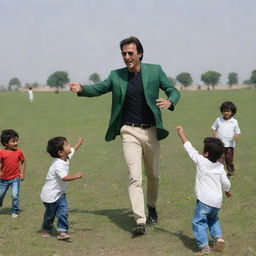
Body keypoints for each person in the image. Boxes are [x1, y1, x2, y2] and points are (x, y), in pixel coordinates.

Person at [68, 36, 180, 236]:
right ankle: (140, 220)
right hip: (129, 131)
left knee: (154, 176)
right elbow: (99, 88)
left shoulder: (155, 71)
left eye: (130, 53)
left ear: (140, 54)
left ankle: (151, 206)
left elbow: (172, 90)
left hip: (152, 130)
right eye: (123, 54)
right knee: (134, 176)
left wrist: (170, 101)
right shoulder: (116, 75)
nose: (126, 57)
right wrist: (82, 89)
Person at [176, 126, 232, 254]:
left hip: (203, 201)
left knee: (199, 222)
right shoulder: (219, 167)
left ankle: (204, 246)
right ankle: (219, 238)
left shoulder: (201, 161)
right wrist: (227, 191)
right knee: (213, 219)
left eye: (203, 149)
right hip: (216, 203)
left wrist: (181, 134)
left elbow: (189, 148)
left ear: (206, 153)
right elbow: (226, 183)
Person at [40, 136, 83, 240]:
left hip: (60, 194)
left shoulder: (65, 157)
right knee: (50, 215)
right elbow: (65, 178)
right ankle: (46, 229)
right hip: (50, 196)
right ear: (60, 152)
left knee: (63, 212)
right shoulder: (58, 164)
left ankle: (62, 232)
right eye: (67, 145)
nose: (70, 146)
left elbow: (73, 150)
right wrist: (77, 176)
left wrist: (79, 142)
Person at [0, 129, 26, 218]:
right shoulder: (1, 152)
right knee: (0, 195)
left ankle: (15, 210)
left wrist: (22, 173)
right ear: (6, 143)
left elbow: (23, 161)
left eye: (16, 140)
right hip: (3, 179)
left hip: (15, 178)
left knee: (15, 195)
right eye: (13, 141)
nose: (16, 143)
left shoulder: (19, 152)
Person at [211, 101, 241, 177]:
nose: (226, 113)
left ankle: (230, 173)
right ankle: (221, 173)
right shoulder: (218, 120)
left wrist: (236, 136)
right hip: (219, 145)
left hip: (229, 145)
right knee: (219, 160)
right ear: (222, 111)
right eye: (224, 111)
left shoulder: (234, 122)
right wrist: (215, 137)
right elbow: (213, 128)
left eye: (228, 111)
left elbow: (238, 132)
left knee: (229, 160)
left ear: (232, 112)